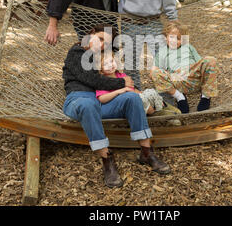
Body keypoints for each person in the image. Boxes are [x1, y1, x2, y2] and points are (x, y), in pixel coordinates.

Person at [62, 24, 171, 188]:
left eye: (105, 43)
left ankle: (147, 153)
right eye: (99, 39)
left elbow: (110, 78)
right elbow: (93, 80)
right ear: (91, 33)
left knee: (131, 98)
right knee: (88, 105)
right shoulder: (77, 52)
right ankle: (107, 160)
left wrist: (127, 85)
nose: (101, 45)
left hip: (103, 101)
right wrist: (121, 82)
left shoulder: (102, 57)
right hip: (79, 99)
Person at [150, 21, 218, 114]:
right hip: (177, 81)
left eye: (178, 38)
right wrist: (170, 73)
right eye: (171, 37)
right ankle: (180, 98)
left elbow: (201, 63)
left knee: (211, 60)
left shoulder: (188, 47)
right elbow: (153, 71)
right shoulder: (162, 52)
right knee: (154, 73)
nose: (174, 40)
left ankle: (206, 96)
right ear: (166, 37)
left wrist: (189, 68)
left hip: (194, 77)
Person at [96, 51, 165, 115]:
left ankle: (159, 108)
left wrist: (143, 95)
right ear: (100, 69)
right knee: (139, 98)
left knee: (150, 92)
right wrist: (119, 91)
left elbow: (133, 89)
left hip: (134, 98)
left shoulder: (122, 76)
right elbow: (101, 99)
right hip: (120, 104)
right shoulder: (102, 81)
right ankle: (151, 111)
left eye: (111, 61)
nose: (110, 65)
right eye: (105, 64)